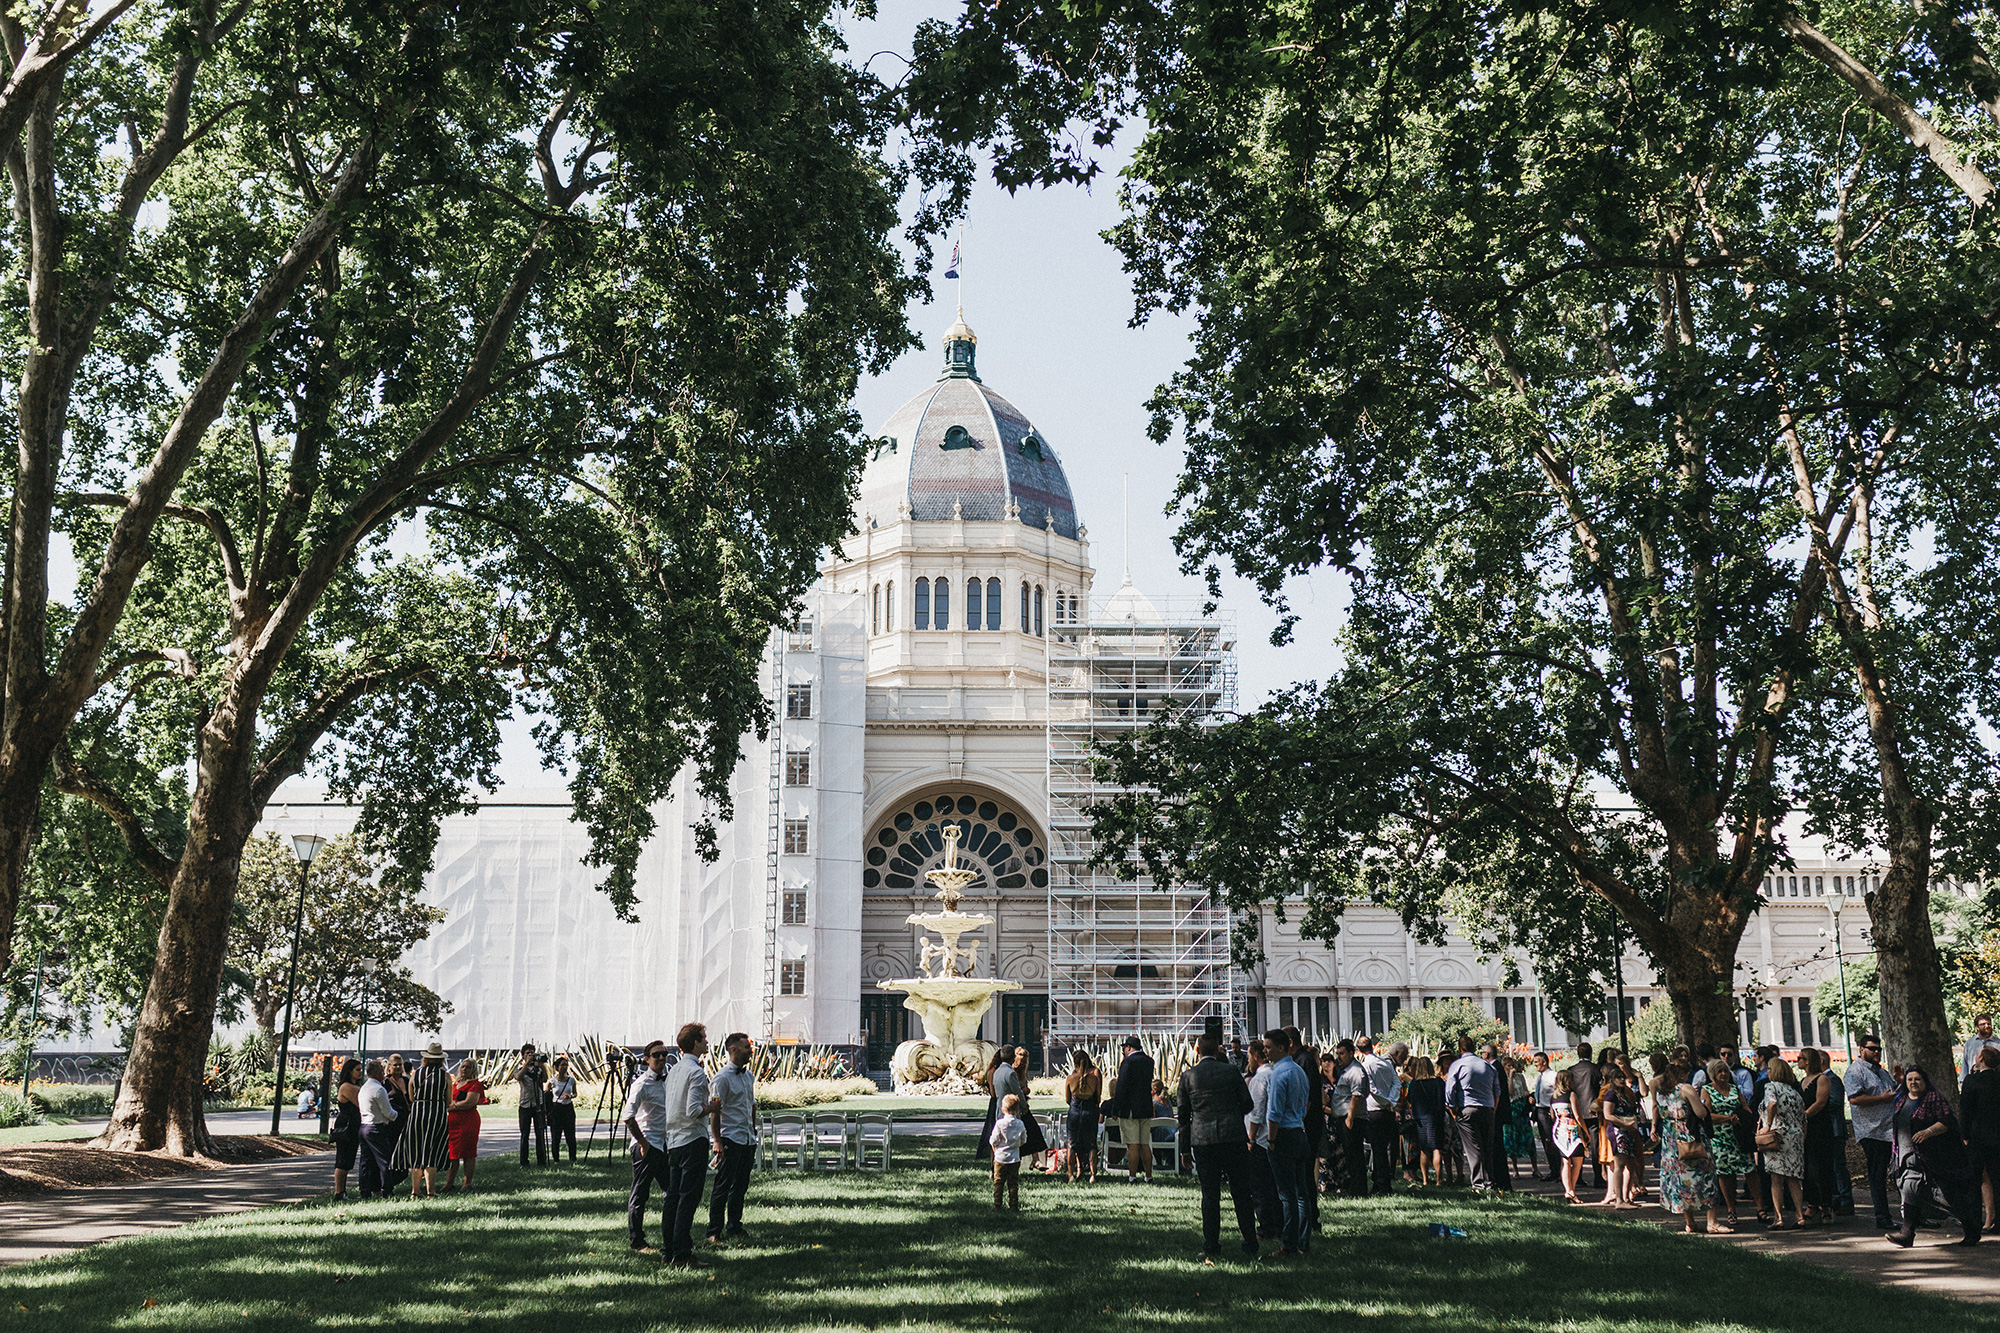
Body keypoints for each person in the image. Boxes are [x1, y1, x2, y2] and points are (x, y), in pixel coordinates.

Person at [1178, 1031, 1258, 1260]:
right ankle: (1250, 1242)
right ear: (1217, 1051)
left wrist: (1185, 1149)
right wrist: (1231, 1114)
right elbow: (1247, 1103)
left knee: (1210, 1195)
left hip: (1203, 1140)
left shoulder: (1188, 1076)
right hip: (1233, 1136)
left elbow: (1183, 1117)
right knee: (1242, 1193)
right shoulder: (1231, 1071)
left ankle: (1211, 1245)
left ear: (1197, 1051)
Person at [1886, 1065, 1982, 1247]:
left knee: (1946, 1197)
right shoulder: (1901, 1100)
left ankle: (1971, 1229)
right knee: (1909, 1190)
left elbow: (1947, 1121)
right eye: (1910, 1079)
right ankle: (1907, 1234)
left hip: (1933, 1159)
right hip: (1908, 1156)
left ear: (1924, 1081)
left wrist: (1928, 1131)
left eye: (1917, 1079)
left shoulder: (1933, 1098)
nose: (1913, 1082)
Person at [660, 1023, 720, 1267]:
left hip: (673, 1140)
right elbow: (694, 1109)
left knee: (672, 1198)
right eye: (704, 1038)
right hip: (692, 1139)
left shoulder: (673, 1071)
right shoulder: (696, 1072)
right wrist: (712, 1108)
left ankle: (668, 1250)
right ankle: (683, 1253)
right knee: (688, 1198)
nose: (707, 1042)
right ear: (695, 1042)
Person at [1656, 1067, 1727, 1234]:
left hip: (1671, 1140)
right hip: (1689, 1135)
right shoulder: (1685, 1088)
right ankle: (1712, 1222)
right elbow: (1701, 1112)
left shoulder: (1661, 1092)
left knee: (1680, 1180)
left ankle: (1690, 1222)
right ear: (1682, 1074)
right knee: (1706, 1175)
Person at [1262, 1028, 1312, 1256]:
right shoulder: (1299, 1072)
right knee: (1302, 1192)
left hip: (1283, 1134)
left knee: (1287, 1194)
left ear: (1282, 1047)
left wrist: (1271, 1139)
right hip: (1299, 1132)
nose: (1265, 1051)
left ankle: (1289, 1244)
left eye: (1268, 1047)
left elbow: (1274, 1112)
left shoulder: (1278, 1074)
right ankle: (1303, 1241)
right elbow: (1305, 1104)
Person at [1844, 1034, 1899, 1230]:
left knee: (1901, 1172)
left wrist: (1900, 1082)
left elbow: (1892, 1093)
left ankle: (1913, 1214)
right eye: (1872, 1048)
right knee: (1877, 1175)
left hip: (1891, 1129)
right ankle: (1882, 1217)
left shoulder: (1881, 1072)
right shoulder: (1855, 1072)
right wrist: (1881, 1100)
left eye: (1878, 1049)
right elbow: (1855, 1099)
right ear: (1861, 1049)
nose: (1876, 1052)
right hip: (1872, 1131)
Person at [623, 1040, 673, 1253]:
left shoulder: (668, 1081)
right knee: (640, 1194)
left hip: (663, 1145)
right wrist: (643, 1143)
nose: (661, 1058)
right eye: (656, 1055)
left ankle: (672, 1238)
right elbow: (628, 1117)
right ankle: (637, 1242)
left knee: (672, 1192)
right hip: (646, 1146)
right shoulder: (641, 1084)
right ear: (646, 1059)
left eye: (664, 1054)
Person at [707, 1031, 757, 1243]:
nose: (750, 1051)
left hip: (746, 1139)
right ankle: (714, 1231)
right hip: (730, 1138)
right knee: (723, 1185)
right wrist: (717, 1140)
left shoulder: (748, 1076)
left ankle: (735, 1225)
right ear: (733, 1050)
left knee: (741, 1186)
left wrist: (752, 1130)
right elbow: (715, 1112)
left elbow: (752, 1105)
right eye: (747, 1048)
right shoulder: (722, 1079)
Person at [393, 1041, 452, 1199]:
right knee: (431, 1153)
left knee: (416, 1153)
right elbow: (448, 1100)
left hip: (417, 1114)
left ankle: (414, 1191)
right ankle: (430, 1192)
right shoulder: (445, 1076)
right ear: (441, 1059)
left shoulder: (415, 1074)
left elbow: (411, 1097)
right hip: (437, 1114)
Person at [1443, 1039, 1502, 1192]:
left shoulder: (1457, 1065)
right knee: (1487, 1147)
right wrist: (1492, 1108)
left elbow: (1450, 1090)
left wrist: (1452, 1108)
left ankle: (1478, 1183)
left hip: (1467, 1108)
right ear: (1474, 1047)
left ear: (1459, 1049)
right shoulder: (1488, 1066)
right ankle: (1490, 1182)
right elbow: (1497, 1091)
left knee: (1472, 1148)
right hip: (1487, 1108)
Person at [1702, 1057, 1754, 1227]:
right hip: (1719, 1137)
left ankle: (1760, 1208)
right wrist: (1727, 1118)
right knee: (1725, 1173)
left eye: (1725, 1071)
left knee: (1750, 1169)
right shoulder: (1706, 1090)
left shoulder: (1734, 1088)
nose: (1723, 1074)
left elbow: (1746, 1108)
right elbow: (1706, 1115)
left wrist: (1742, 1117)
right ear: (1713, 1074)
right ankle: (1731, 1209)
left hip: (1738, 1134)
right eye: (1719, 1072)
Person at [1759, 1056, 1808, 1229]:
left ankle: (1778, 1217)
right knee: (1794, 1179)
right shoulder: (1795, 1092)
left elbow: (1772, 1104)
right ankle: (1799, 1215)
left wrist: (1768, 1126)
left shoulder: (1771, 1087)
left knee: (1776, 1179)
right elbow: (1804, 1119)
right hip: (1795, 1137)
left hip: (1777, 1135)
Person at [979, 1045, 1049, 1167]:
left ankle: (996, 1165)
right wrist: (1024, 1105)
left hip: (999, 1109)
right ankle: (1015, 1163)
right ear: (1012, 1058)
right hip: (1012, 1109)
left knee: (1000, 1139)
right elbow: (1017, 1091)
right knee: (1021, 1134)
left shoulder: (997, 1072)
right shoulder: (1010, 1073)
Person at [1797, 1049, 1842, 1225]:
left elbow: (1821, 1102)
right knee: (1807, 1167)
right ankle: (1812, 1203)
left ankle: (1826, 1205)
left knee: (1821, 1168)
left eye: (1800, 1058)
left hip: (1820, 1129)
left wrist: (1804, 1115)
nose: (1798, 1061)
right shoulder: (1802, 1080)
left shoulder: (1822, 1079)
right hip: (1804, 1129)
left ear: (1808, 1061)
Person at [1958, 1047, 2000, 1233]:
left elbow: (1965, 1111)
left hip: (1978, 1137)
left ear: (1981, 1058)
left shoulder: (1972, 1081)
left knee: (1974, 1180)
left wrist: (1965, 1135)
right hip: (1997, 1136)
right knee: (1997, 1177)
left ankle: (1974, 1222)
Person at [1106, 1036, 1157, 1183]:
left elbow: (1121, 1087)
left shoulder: (1127, 1062)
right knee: (1145, 1144)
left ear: (1128, 1047)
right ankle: (1148, 1176)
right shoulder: (1149, 1061)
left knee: (1132, 1145)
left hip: (1130, 1109)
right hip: (1145, 1107)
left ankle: (1132, 1176)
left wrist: (1116, 1109)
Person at [1245, 1039, 1281, 1241]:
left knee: (1260, 1187)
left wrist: (1250, 1138)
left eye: (1249, 1056)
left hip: (1260, 1139)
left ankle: (1266, 1227)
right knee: (1275, 1186)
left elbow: (1256, 1111)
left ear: (1256, 1056)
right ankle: (1278, 1225)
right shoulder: (1276, 1073)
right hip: (1275, 1135)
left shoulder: (1260, 1078)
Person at [1357, 1036, 1399, 1195]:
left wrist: (1385, 1101)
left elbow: (1371, 1089)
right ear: (1373, 1047)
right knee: (1382, 1150)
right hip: (1387, 1110)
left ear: (1359, 1050)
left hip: (1373, 1110)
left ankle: (1382, 1185)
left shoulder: (1365, 1066)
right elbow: (1396, 1083)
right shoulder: (1386, 1064)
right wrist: (1391, 1101)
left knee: (1378, 1150)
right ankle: (1380, 1182)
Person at [356, 1058, 398, 1200]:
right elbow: (388, 1112)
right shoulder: (379, 1089)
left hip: (364, 1126)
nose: (384, 1074)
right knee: (384, 1160)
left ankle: (364, 1190)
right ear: (375, 1072)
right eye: (381, 1071)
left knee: (365, 1161)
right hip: (376, 1127)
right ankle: (387, 1189)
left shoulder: (364, 1088)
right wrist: (398, 1115)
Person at [444, 1058, 486, 1191]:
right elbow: (447, 1099)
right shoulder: (455, 1083)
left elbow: (470, 1102)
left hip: (468, 1122)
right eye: (463, 1067)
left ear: (473, 1069)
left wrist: (453, 1106)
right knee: (452, 1153)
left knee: (468, 1152)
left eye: (468, 1067)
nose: (464, 1069)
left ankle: (467, 1183)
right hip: (453, 1122)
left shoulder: (475, 1084)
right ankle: (449, 1183)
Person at [1405, 1055, 1446, 1187]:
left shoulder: (1414, 1084)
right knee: (1437, 1149)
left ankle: (1425, 1179)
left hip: (1420, 1119)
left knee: (1423, 1149)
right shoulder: (1438, 1082)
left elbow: (1410, 1099)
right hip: (1435, 1118)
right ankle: (1439, 1179)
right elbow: (1442, 1100)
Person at [1550, 1067, 1589, 1203]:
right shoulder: (1571, 1095)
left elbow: (1552, 1115)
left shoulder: (1553, 1097)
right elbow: (1578, 1115)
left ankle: (1568, 1190)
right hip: (1572, 1130)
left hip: (1559, 1131)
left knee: (1565, 1162)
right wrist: (1586, 1132)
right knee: (1578, 1161)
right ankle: (1572, 1190)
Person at [1064, 1051, 1103, 1183]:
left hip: (1075, 1112)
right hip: (1090, 1111)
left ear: (1075, 1063)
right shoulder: (1094, 1078)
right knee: (1092, 1144)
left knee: (1071, 1143)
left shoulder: (1070, 1078)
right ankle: (1093, 1175)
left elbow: (1067, 1099)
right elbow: (1097, 1098)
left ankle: (1071, 1175)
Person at [1570, 1042, 1602, 1190]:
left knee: (1578, 1144)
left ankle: (1578, 1176)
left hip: (1577, 1111)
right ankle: (1598, 1177)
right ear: (1591, 1053)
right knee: (1595, 1146)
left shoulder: (1572, 1070)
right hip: (1592, 1111)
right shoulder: (1595, 1069)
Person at [330, 1057, 362, 1201]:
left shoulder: (357, 1086)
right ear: (349, 1072)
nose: (360, 1072)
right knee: (343, 1159)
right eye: (357, 1070)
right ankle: (339, 1191)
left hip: (354, 1125)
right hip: (346, 1125)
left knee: (349, 1159)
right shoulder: (347, 1087)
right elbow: (360, 1103)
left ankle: (343, 1190)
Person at [381, 1053, 413, 1193]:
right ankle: (388, 1182)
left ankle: (399, 1176)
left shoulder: (407, 1081)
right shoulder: (385, 1083)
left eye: (400, 1064)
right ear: (389, 1067)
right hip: (392, 1123)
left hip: (407, 1122)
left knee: (405, 1153)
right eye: (395, 1065)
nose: (398, 1067)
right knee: (392, 1153)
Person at [990, 1092, 1026, 1210]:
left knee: (998, 1182)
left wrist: (995, 1148)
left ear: (1003, 1109)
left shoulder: (1000, 1123)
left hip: (1000, 1157)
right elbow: (1023, 1140)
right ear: (1017, 1110)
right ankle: (1013, 1205)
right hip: (1015, 1157)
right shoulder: (1020, 1124)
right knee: (1013, 1183)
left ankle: (997, 1204)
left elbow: (993, 1140)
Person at [515, 1042, 549, 1167]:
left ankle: (542, 1161)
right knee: (525, 1134)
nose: (530, 1055)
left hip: (538, 1104)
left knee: (539, 1133)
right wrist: (527, 1064)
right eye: (527, 1053)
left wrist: (541, 1065)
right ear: (523, 1056)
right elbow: (518, 1077)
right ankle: (524, 1162)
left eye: (532, 1053)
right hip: (525, 1104)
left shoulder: (538, 1070)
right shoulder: (519, 1068)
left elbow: (545, 1079)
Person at [1531, 1052, 1559, 1181]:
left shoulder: (1552, 1076)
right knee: (1546, 1141)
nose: (1535, 1064)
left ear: (1544, 1062)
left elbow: (1558, 1092)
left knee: (1551, 1141)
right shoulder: (1541, 1077)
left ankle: (1557, 1169)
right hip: (1540, 1109)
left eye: (1537, 1062)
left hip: (1548, 1110)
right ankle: (1553, 1169)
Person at [547, 1055, 579, 1164]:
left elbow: (575, 1093)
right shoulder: (552, 1081)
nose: (565, 1067)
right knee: (556, 1135)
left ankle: (573, 1157)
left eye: (566, 1064)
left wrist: (571, 1096)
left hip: (568, 1108)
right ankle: (556, 1159)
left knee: (570, 1134)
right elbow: (546, 1095)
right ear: (557, 1067)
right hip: (557, 1108)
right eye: (562, 1065)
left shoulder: (571, 1080)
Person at [1962, 1014, 2000, 1082]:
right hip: (1973, 1082)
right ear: (1977, 1027)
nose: (1986, 1026)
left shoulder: (1998, 1043)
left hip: (1994, 1082)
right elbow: (1965, 1064)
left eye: (1988, 1024)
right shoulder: (1970, 1043)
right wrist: (1963, 1081)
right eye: (1983, 1024)